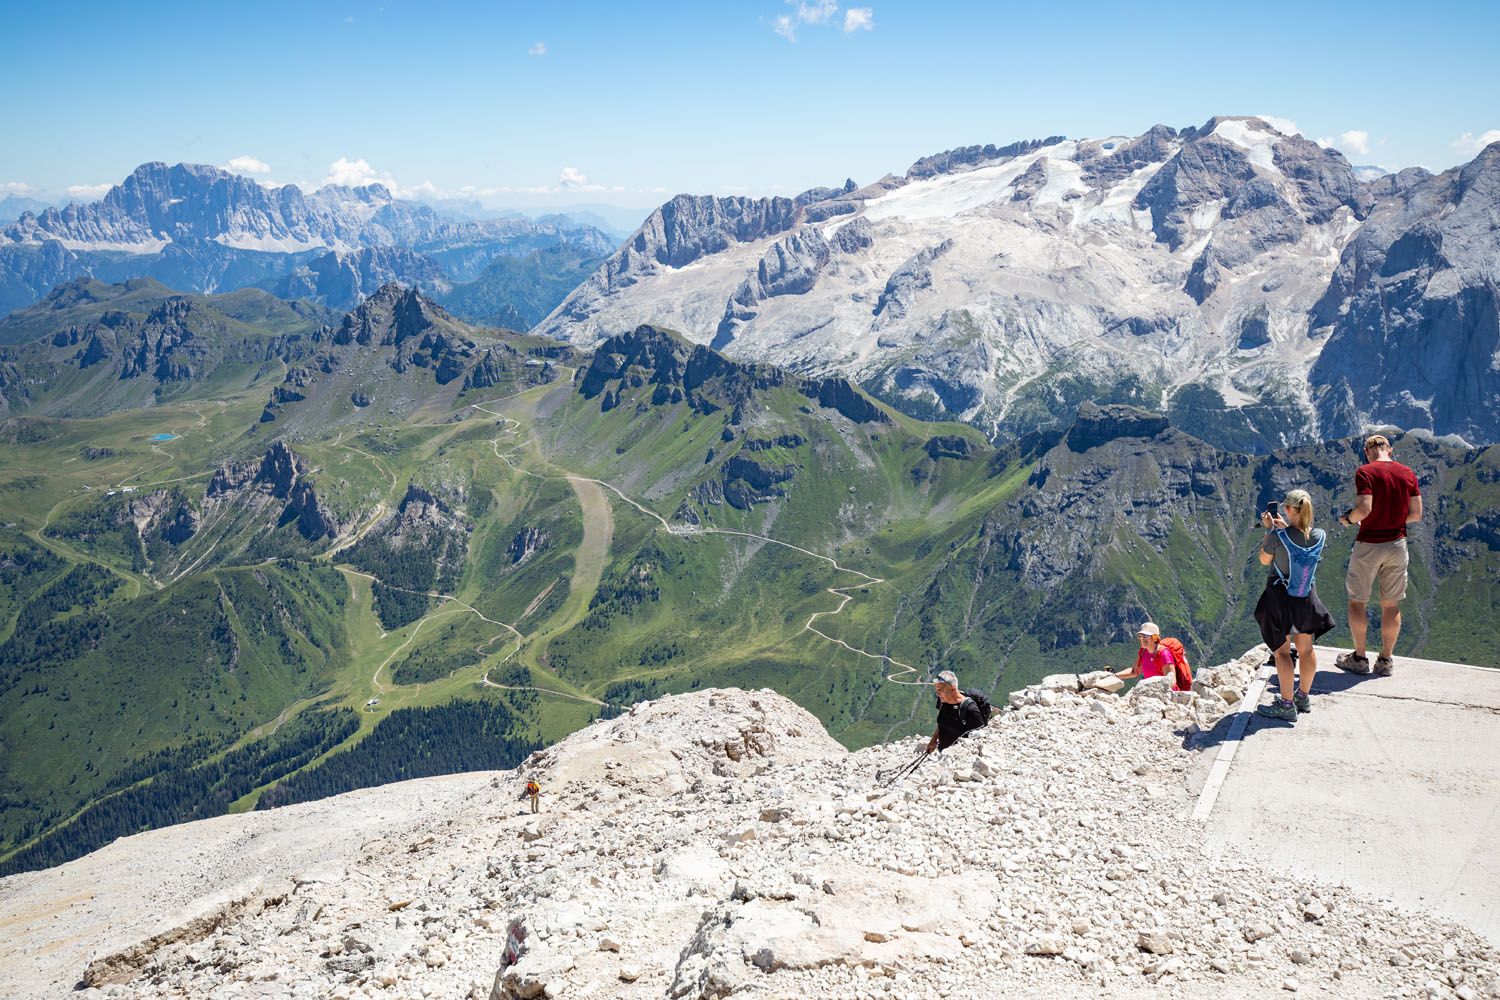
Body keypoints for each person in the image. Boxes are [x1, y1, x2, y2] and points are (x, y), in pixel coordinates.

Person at [1335, 434, 1423, 677]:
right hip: (1397, 543)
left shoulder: (1366, 472)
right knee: (1391, 604)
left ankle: (1360, 658)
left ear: (1367, 451)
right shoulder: (1407, 473)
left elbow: (1364, 508)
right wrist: (1392, 519)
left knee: (1357, 600)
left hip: (1369, 544)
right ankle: (1385, 661)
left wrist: (1348, 520)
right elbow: (1416, 514)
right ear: (1390, 450)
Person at [1254, 490, 1336, 722]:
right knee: (1307, 650)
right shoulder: (1320, 536)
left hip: (1280, 598)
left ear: (1289, 510)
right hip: (1306, 597)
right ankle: (1302, 696)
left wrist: (1271, 530)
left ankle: (1286, 704)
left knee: (1282, 652)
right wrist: (1284, 528)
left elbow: (1264, 559)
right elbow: (1301, 536)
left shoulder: (1277, 536)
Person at [925, 671, 985, 754]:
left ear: (952, 688)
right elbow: (942, 722)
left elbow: (979, 737)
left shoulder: (970, 709)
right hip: (942, 754)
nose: (937, 693)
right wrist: (934, 740)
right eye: (936, 689)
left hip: (958, 757)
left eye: (940, 689)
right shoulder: (943, 700)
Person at [1111, 623, 1179, 687]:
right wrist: (1114, 676)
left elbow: (1171, 681)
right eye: (1140, 636)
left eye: (1146, 636)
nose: (1142, 639)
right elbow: (1134, 672)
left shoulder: (1164, 654)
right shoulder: (1143, 652)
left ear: (1155, 638)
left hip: (1166, 695)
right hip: (1150, 692)